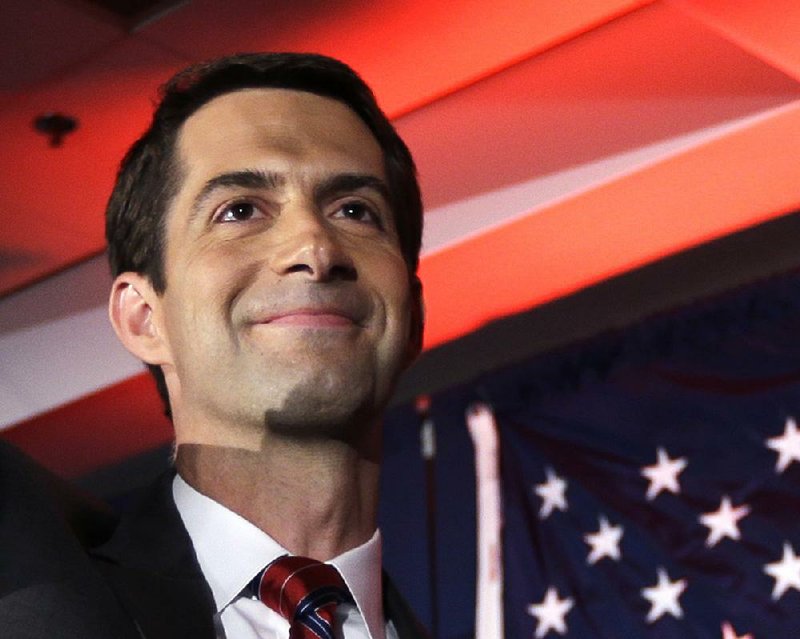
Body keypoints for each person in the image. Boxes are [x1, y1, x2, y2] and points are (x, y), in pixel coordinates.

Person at [0, 53, 428, 639]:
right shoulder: (28, 592)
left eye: (355, 211)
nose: (314, 246)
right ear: (144, 318)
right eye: (240, 210)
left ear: (414, 317)